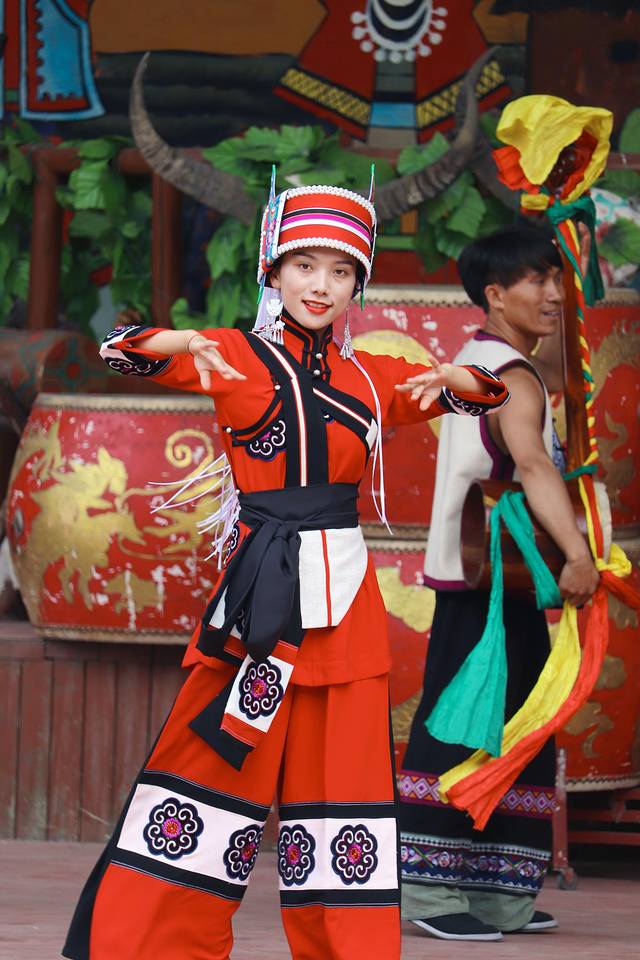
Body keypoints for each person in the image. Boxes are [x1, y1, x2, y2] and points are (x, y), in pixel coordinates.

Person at [63, 181, 509, 960]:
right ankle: (147, 945)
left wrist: (449, 379)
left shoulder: (371, 375)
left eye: (341, 271)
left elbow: (488, 391)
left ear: (357, 285)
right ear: (273, 272)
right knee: (208, 777)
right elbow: (120, 349)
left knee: (344, 797)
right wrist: (182, 342)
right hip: (262, 603)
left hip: (343, 606)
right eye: (304, 266)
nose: (321, 285)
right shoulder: (234, 355)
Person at [398, 221, 600, 942]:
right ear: (494, 294)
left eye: (556, 279)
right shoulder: (508, 375)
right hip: (486, 577)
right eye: (536, 281)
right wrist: (577, 553)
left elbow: (539, 437)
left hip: (498, 573)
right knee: (462, 724)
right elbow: (534, 467)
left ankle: (496, 894)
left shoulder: (484, 360)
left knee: (515, 720)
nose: (553, 294)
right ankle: (428, 888)